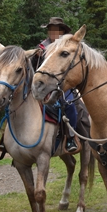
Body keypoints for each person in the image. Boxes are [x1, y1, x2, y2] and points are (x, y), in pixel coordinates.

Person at [36, 17, 79, 153]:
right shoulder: (42, 46)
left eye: (56, 30)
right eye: (51, 30)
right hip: (44, 84)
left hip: (62, 84)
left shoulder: (65, 47)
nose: (52, 32)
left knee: (69, 104)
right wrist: (36, 56)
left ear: (61, 32)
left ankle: (71, 137)